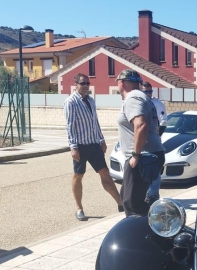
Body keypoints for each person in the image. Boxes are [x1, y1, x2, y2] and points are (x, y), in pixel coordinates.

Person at [63, 73, 123, 220]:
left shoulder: (90, 100)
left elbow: (95, 122)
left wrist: (101, 140)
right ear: (76, 84)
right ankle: (79, 208)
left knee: (105, 173)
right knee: (78, 175)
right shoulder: (71, 102)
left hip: (94, 144)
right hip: (81, 146)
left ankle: (121, 204)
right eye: (82, 83)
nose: (85, 86)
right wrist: (73, 147)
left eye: (87, 83)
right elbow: (70, 126)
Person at [115, 69, 165, 216]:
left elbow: (141, 125)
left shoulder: (133, 97)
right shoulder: (142, 97)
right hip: (148, 154)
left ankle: (140, 235)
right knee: (129, 197)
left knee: (132, 203)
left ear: (121, 83)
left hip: (142, 156)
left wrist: (136, 154)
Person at [142, 82, 168, 203]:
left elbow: (163, 122)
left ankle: (153, 195)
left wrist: (157, 136)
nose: (148, 94)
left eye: (150, 91)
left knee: (156, 169)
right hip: (142, 143)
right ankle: (146, 194)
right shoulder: (139, 103)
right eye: (145, 91)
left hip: (154, 142)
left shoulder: (157, 103)